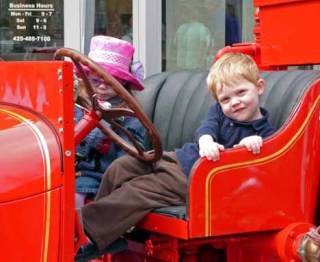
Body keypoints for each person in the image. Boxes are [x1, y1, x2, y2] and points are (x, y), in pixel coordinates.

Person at [78, 52, 275, 256]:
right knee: (123, 166)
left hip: (199, 181)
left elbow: (259, 167)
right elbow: (206, 128)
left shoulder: (263, 135)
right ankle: (106, 233)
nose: (234, 102)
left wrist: (249, 147)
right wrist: (206, 140)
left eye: (241, 93)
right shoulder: (219, 112)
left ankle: (84, 233)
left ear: (259, 87)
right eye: (226, 99)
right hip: (181, 158)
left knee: (139, 189)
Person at [74, 35, 146, 208]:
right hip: (74, 172)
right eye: (96, 80)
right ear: (86, 79)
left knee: (74, 195)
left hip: (102, 175)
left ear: (123, 84)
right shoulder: (77, 106)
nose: (102, 86)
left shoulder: (129, 115)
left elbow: (129, 159)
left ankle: (84, 234)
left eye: (110, 82)